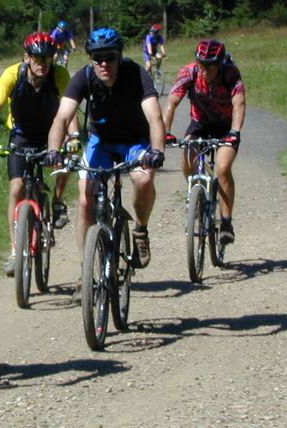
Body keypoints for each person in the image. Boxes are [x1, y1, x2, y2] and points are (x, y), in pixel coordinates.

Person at [45, 27, 166, 301]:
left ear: (119, 56)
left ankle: (140, 230)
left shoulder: (136, 74)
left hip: (134, 141)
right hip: (101, 142)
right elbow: (62, 118)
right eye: (97, 58)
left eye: (109, 58)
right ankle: (86, 271)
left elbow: (155, 118)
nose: (104, 64)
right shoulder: (84, 77)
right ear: (90, 59)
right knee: (86, 197)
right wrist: (54, 149)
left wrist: (157, 150)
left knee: (144, 179)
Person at [0, 32, 80, 277]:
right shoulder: (12, 74)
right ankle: (16, 251)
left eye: (47, 58)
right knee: (16, 188)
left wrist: (74, 137)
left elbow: (71, 108)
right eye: (37, 58)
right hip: (22, 135)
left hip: (51, 133)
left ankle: (57, 201)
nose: (42, 63)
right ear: (27, 57)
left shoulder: (59, 75)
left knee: (65, 163)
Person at [163, 38, 246, 244]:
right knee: (188, 159)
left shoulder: (230, 74)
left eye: (210, 66)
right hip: (200, 123)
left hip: (226, 126)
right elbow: (171, 103)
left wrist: (235, 131)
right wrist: (165, 133)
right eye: (201, 64)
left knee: (223, 167)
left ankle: (226, 222)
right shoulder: (189, 72)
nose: (205, 70)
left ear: (220, 64)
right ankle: (197, 198)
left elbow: (239, 103)